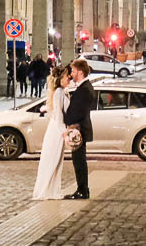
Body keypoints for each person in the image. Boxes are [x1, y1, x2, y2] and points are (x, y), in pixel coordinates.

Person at [33, 66, 70, 200]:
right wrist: (64, 131)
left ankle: (52, 189)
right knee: (54, 159)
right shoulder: (59, 92)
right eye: (66, 76)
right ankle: (49, 190)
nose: (68, 78)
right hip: (57, 129)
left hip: (55, 128)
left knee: (55, 159)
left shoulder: (60, 91)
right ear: (60, 78)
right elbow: (59, 114)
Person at [63, 59, 95, 200]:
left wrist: (67, 122)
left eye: (74, 71)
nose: (72, 73)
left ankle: (82, 190)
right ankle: (82, 189)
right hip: (79, 128)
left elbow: (78, 112)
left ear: (80, 72)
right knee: (79, 161)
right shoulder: (84, 87)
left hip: (79, 130)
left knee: (79, 162)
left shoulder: (84, 89)